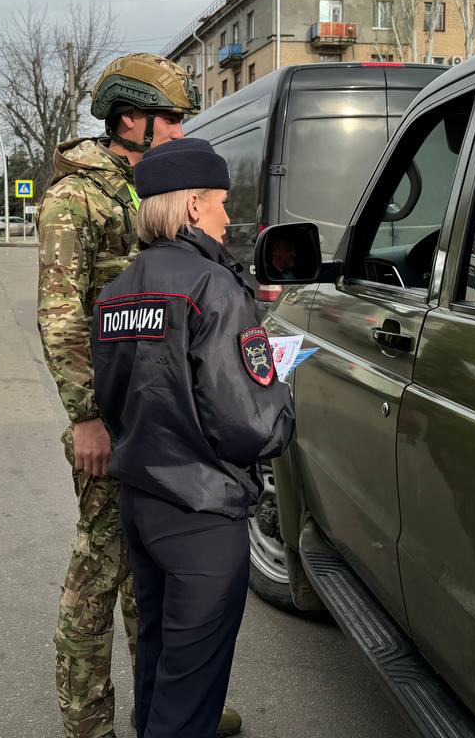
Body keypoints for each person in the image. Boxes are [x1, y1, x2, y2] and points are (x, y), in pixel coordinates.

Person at [38, 54, 247, 738]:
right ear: (132, 118)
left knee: (152, 576)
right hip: (113, 418)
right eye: (174, 118)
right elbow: (62, 317)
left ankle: (165, 708)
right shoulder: (78, 199)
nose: (183, 129)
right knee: (98, 575)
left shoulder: (152, 186)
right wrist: (87, 419)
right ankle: (88, 722)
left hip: (168, 419)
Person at [90, 138, 295, 738]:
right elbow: (251, 423)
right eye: (221, 204)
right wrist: (282, 395)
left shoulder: (118, 290)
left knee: (157, 659)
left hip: (142, 502)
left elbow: (115, 397)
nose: (229, 218)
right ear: (191, 208)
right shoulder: (214, 288)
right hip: (203, 509)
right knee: (193, 688)